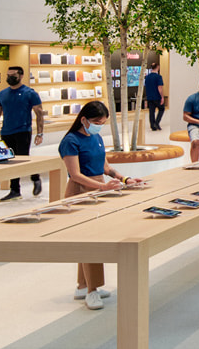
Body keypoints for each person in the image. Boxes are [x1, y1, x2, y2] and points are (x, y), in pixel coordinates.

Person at [58, 101, 142, 310]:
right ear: (83, 119)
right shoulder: (70, 141)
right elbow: (75, 174)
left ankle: (83, 285)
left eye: (102, 123)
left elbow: (105, 167)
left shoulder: (96, 138)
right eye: (96, 122)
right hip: (80, 192)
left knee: (90, 238)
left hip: (98, 189)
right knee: (91, 240)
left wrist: (125, 179)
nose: (99, 126)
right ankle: (92, 290)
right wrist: (101, 187)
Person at [0, 65, 47, 200]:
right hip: (6, 131)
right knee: (10, 161)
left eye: (13, 75)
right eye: (8, 75)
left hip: (23, 131)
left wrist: (40, 133)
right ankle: (15, 190)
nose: (10, 78)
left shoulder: (30, 93)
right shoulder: (2, 94)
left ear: (21, 76)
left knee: (23, 158)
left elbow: (39, 114)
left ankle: (35, 177)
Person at [142, 61, 166, 132]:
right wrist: (162, 97)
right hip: (157, 97)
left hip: (149, 97)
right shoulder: (158, 77)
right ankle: (156, 123)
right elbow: (160, 87)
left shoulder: (147, 77)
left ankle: (152, 126)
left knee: (151, 111)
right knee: (161, 109)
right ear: (157, 67)